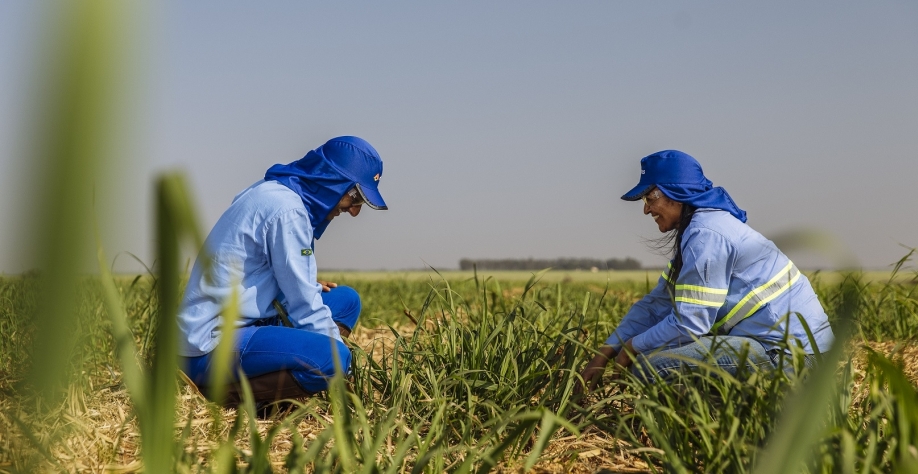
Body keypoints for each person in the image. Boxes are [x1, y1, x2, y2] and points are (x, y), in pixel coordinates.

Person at [580, 150, 834, 391]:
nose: (646, 209)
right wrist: (608, 349)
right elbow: (655, 305)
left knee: (651, 366)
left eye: (650, 197)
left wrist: (633, 346)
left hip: (793, 355)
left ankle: (698, 428)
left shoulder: (706, 233)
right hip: (782, 348)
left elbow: (691, 323)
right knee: (657, 353)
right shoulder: (700, 230)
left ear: (677, 192)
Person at [178, 136, 387, 405]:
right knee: (334, 360)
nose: (355, 211)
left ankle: (285, 375)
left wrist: (303, 285)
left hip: (248, 319)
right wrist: (348, 371)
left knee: (346, 301)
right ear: (332, 182)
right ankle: (220, 394)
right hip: (209, 344)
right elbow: (306, 308)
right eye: (355, 197)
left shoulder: (275, 192)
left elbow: (260, 272)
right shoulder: (288, 212)